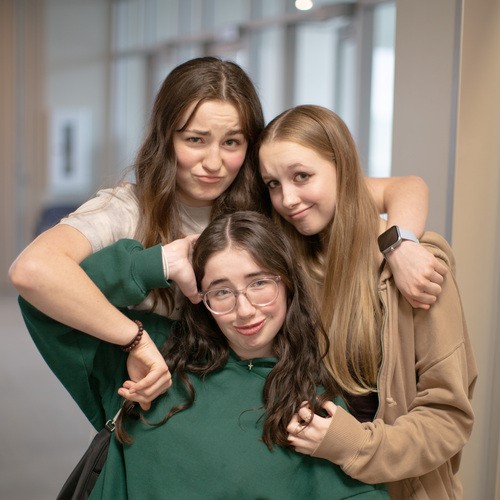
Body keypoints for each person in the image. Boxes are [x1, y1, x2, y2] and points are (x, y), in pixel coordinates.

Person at [10, 56, 443, 406]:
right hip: (183, 393)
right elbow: (33, 270)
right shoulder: (127, 209)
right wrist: (134, 338)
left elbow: (405, 187)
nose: (214, 163)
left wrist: (400, 245)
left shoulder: (270, 194)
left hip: (279, 386)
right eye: (195, 140)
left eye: (232, 142)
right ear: (166, 138)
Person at [19, 211, 389, 499]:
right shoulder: (151, 357)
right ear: (199, 295)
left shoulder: (313, 399)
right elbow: (41, 298)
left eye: (260, 283)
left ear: (288, 283)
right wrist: (157, 267)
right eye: (221, 291)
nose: (245, 310)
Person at [257, 104, 478, 499]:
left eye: (302, 176)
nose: (287, 198)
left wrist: (353, 444)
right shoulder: (287, 267)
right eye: (273, 184)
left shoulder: (416, 267)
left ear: (343, 168)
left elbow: (449, 418)